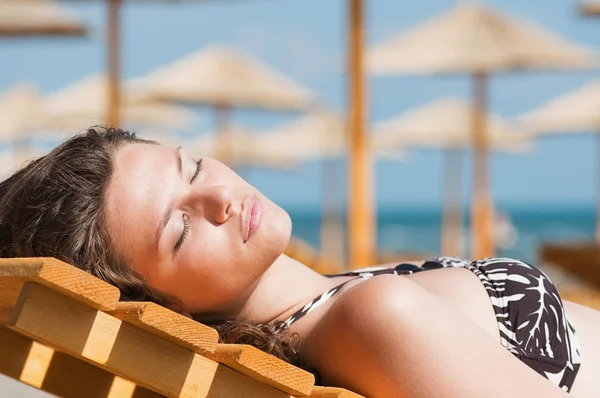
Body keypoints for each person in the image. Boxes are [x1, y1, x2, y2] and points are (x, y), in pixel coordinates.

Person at [0, 126, 599, 398]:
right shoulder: (375, 318)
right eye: (179, 228)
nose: (220, 199)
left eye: (193, 168)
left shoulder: (330, 305)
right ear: (156, 306)